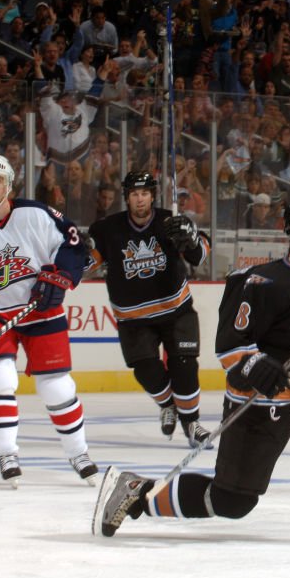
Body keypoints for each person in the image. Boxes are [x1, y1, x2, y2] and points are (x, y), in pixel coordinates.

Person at [93, 197, 290, 540]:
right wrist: (258, 366)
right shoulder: (259, 284)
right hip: (260, 404)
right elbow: (230, 348)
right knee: (231, 502)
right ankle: (135, 492)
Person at [0, 155, 97, 488]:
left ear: (8, 185)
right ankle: (7, 453)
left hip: (39, 310)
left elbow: (74, 246)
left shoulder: (36, 214)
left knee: (57, 386)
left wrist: (60, 277)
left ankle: (78, 452)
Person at [87, 172, 213, 446]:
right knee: (146, 371)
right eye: (134, 194)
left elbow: (201, 254)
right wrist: (74, 252)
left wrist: (190, 239)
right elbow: (86, 265)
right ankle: (168, 404)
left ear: (152, 196)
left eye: (144, 193)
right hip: (133, 317)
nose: (140, 199)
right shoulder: (108, 229)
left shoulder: (173, 220)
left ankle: (192, 424)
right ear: (127, 197)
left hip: (176, 309)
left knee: (185, 367)